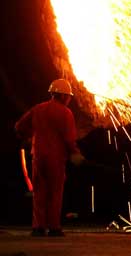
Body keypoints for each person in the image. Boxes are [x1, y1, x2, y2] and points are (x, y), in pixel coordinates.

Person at [15, 78, 84, 237]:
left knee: (39, 192)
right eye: (69, 97)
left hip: (38, 156)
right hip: (56, 159)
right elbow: (69, 138)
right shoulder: (66, 113)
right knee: (55, 193)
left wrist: (27, 136)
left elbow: (19, 126)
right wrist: (75, 153)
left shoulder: (38, 108)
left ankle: (38, 227)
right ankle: (54, 227)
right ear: (64, 96)